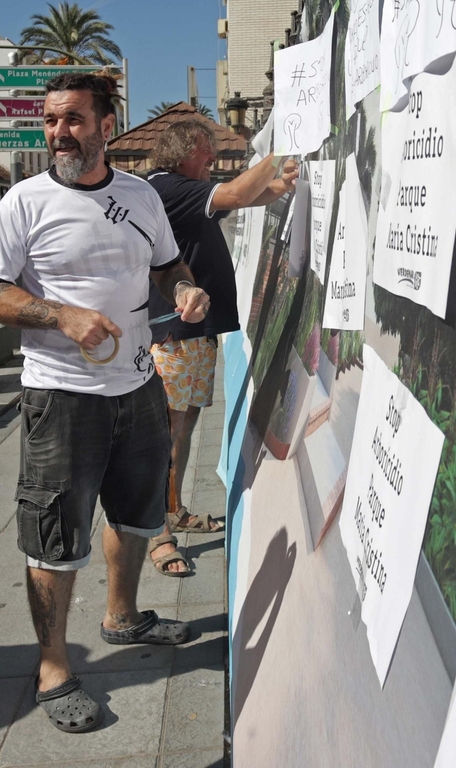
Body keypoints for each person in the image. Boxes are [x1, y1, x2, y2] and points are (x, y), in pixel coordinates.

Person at [0, 71, 209, 735]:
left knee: (136, 513)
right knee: (54, 533)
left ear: (107, 125)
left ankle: (123, 616)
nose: (58, 132)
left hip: (139, 387)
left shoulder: (140, 195)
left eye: (72, 119)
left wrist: (184, 290)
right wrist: (60, 315)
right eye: (51, 120)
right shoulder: (24, 201)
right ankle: (52, 668)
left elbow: (167, 265)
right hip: (61, 396)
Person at [144, 121, 297, 575]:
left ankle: (174, 510)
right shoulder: (166, 186)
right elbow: (234, 193)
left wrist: (281, 185)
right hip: (173, 333)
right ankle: (159, 533)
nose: (212, 158)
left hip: (194, 331)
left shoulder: (187, 190)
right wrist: (281, 146)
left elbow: (246, 198)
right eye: (205, 151)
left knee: (184, 427)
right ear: (182, 152)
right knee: (166, 433)